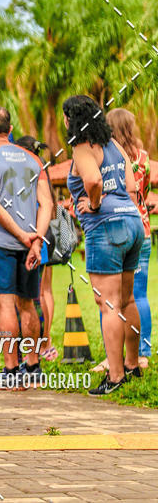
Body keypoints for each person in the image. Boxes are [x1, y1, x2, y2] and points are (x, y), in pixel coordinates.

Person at [64, 96, 144, 395]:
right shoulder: (113, 143)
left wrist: (95, 204)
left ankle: (115, 375)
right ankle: (133, 365)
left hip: (106, 228)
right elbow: (132, 185)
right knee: (127, 301)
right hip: (132, 223)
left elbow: (94, 180)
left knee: (108, 305)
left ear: (70, 120)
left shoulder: (82, 148)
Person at [0, 107, 53, 389]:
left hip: (0, 242)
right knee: (28, 303)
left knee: (6, 305)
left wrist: (23, 236)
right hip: (31, 243)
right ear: (10, 129)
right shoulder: (34, 158)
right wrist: (36, 238)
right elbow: (47, 203)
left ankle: (11, 371)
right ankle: (33, 367)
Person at [106, 108, 152, 368]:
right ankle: (142, 351)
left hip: (116, 230)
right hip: (142, 229)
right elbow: (143, 193)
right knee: (139, 295)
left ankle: (116, 353)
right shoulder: (143, 157)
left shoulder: (109, 157)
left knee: (114, 297)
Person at [14, 136, 58, 361]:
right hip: (47, 233)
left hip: (33, 235)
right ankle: (46, 342)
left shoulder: (24, 171)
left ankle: (33, 347)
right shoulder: (44, 170)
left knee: (32, 295)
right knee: (45, 291)